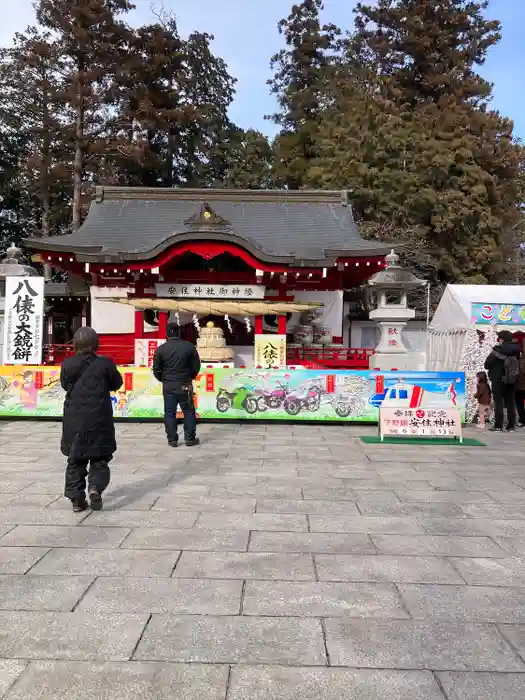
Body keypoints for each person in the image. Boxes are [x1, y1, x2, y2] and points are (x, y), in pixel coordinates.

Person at [60, 327, 123, 512]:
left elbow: (65, 385)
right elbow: (116, 383)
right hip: (99, 417)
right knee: (100, 458)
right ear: (95, 344)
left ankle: (76, 500)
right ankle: (95, 487)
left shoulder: (68, 364)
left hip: (74, 418)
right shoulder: (105, 364)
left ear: (75, 343)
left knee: (75, 459)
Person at [152, 323, 201, 447]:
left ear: (166, 333)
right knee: (189, 411)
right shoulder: (189, 347)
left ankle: (172, 440)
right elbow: (196, 365)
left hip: (168, 385)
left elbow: (156, 369)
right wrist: (191, 377)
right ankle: (190, 438)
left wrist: (164, 379)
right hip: (185, 384)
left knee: (169, 412)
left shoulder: (161, 349)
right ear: (179, 332)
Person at [484, 329, 521, 432]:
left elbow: (487, 364)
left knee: (499, 402)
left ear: (501, 339)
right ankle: (511, 426)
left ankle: (498, 425)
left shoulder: (497, 350)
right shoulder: (516, 350)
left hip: (498, 379)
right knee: (510, 402)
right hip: (511, 379)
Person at [513, 334, 525, 427]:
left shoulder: (519, 361)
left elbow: (519, 373)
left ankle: (522, 420)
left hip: (520, 386)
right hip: (520, 386)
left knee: (520, 403)